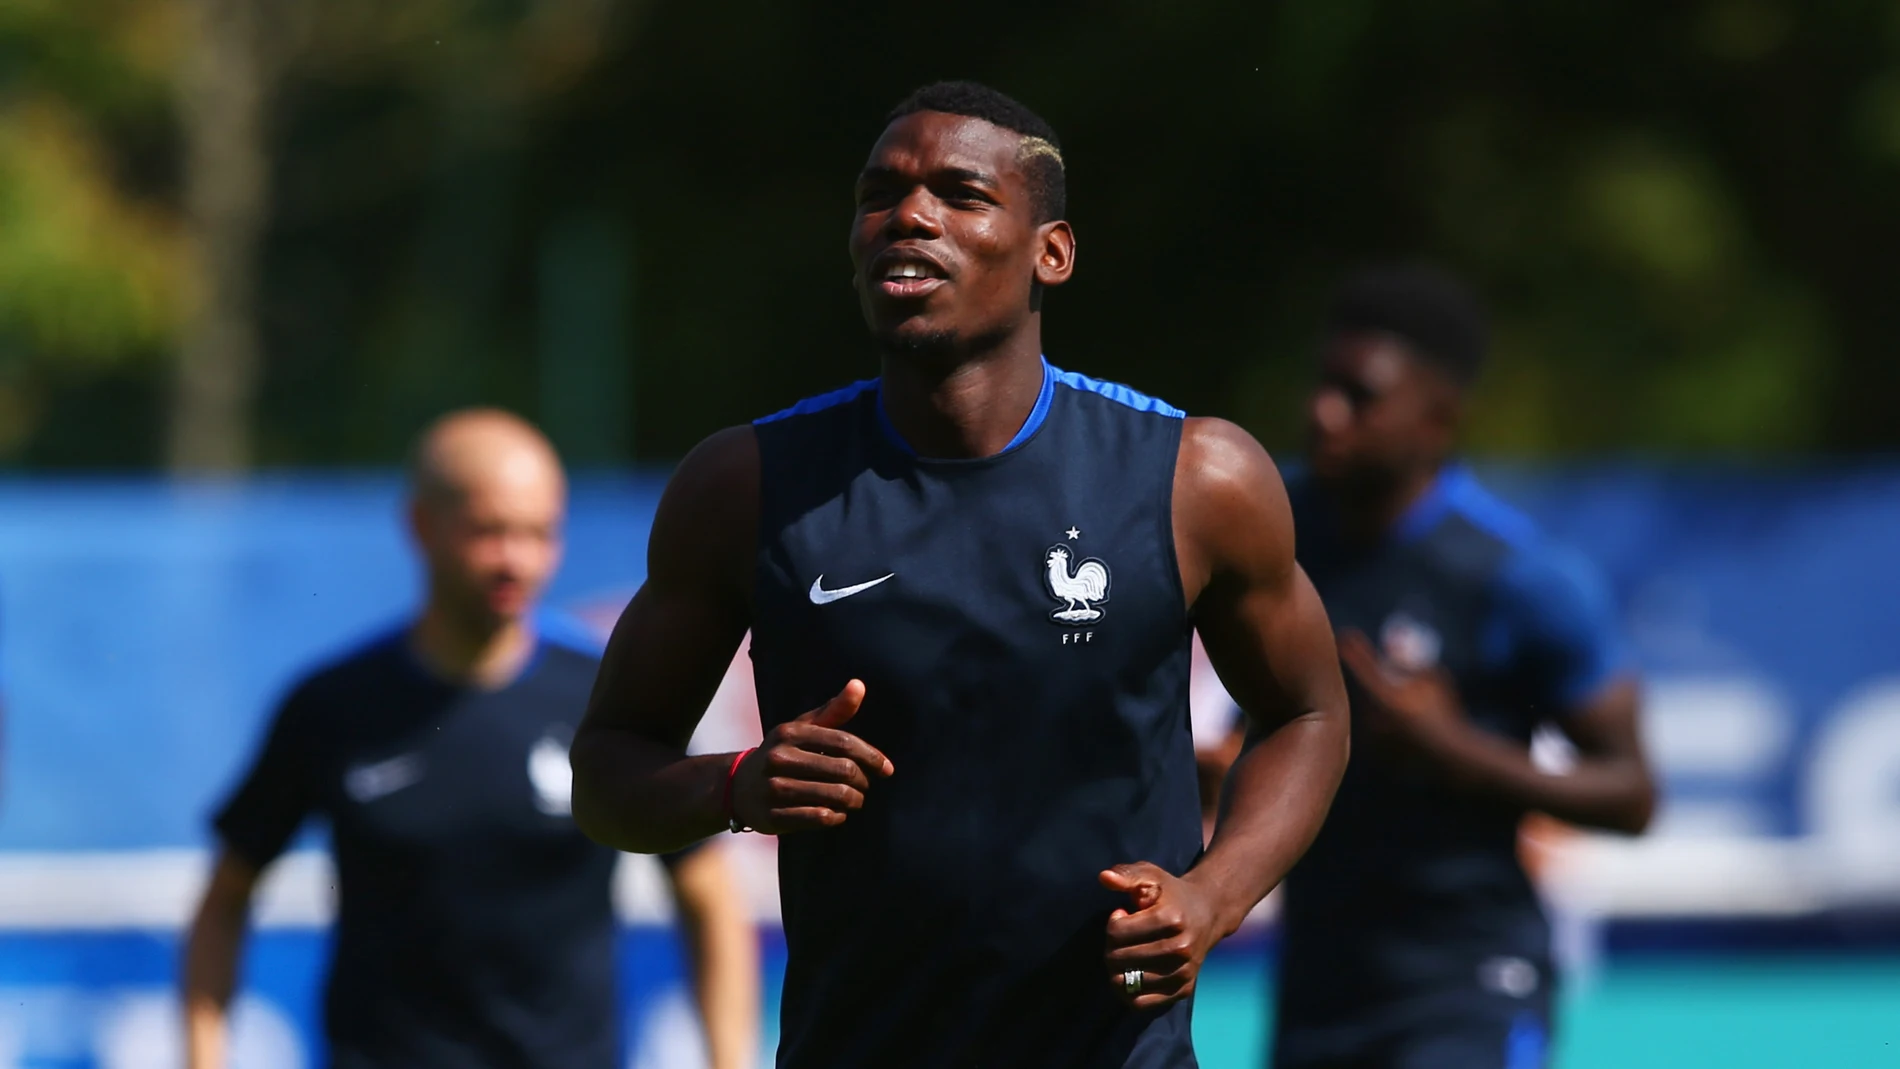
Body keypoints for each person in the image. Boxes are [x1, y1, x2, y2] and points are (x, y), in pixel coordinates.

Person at [568, 81, 1352, 1069]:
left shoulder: (1194, 478)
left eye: (959, 193)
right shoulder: (746, 485)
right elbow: (605, 770)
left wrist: (1214, 892)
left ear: (1050, 253)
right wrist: (734, 784)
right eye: (879, 193)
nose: (908, 215)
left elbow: (1308, 714)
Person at [181, 410, 759, 1069]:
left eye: (539, 533)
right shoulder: (334, 706)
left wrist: (728, 1059)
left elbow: (706, 889)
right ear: (422, 526)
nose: (517, 559)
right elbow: (226, 896)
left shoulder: (609, 699)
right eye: (490, 532)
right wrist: (204, 1054)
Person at [1234, 266, 1656, 1069]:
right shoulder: (1274, 535)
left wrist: (1451, 749)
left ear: (1436, 418)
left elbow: (1632, 794)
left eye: (1359, 395)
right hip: (1317, 986)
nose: (1324, 413)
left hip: (1466, 980)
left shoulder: (1516, 574)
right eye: (1321, 384)